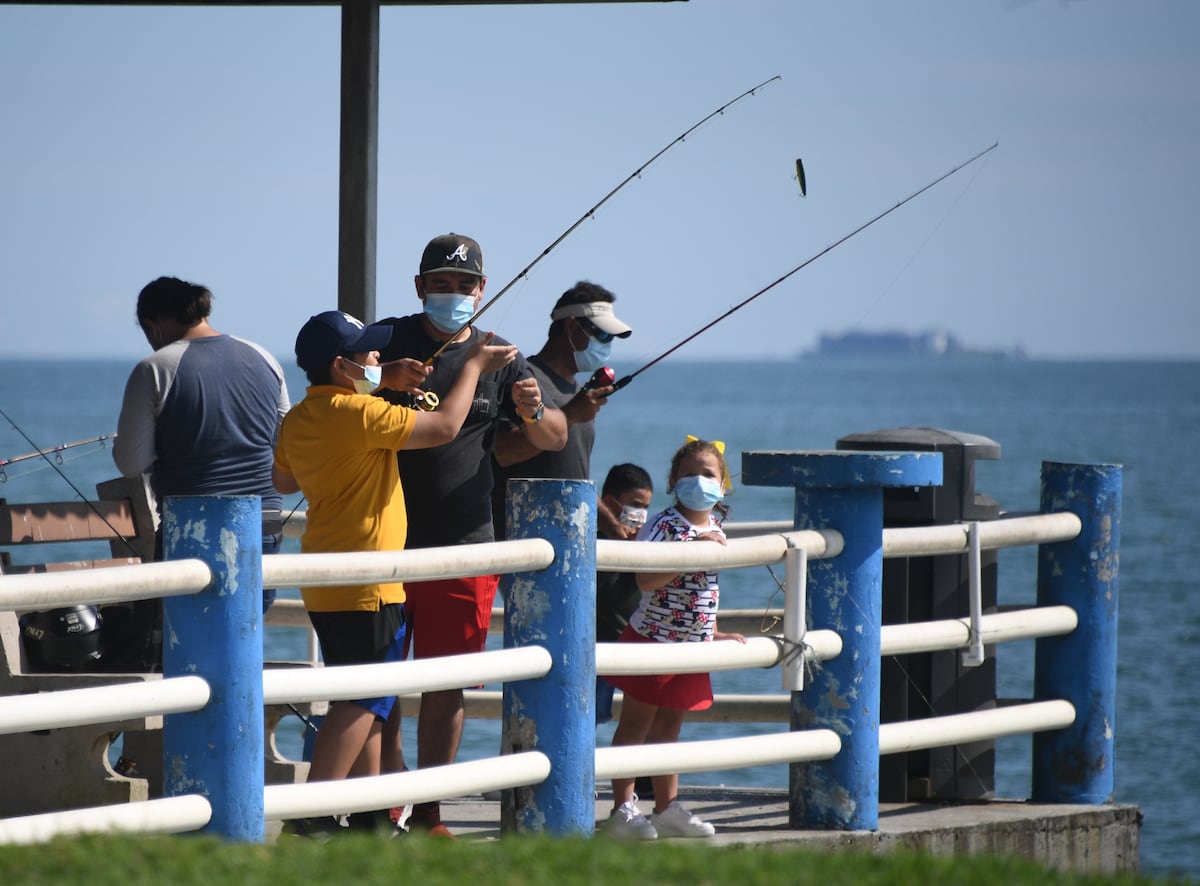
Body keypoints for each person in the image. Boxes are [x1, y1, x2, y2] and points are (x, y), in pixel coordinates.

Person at [272, 310, 516, 837]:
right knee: (361, 700)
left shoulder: (300, 418)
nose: (378, 357)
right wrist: (472, 363)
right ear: (343, 365)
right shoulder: (360, 415)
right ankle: (310, 814)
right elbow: (447, 426)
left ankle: (369, 814)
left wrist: (377, 392)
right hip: (370, 579)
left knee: (375, 698)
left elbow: (284, 479)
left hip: (322, 575)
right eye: (368, 354)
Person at [371, 233, 567, 837]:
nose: (452, 294)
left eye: (463, 286)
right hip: (381, 537)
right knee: (377, 682)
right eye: (440, 284)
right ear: (419, 286)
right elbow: (335, 402)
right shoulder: (384, 341)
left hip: (465, 541)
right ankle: (384, 803)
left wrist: (532, 411)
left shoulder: (502, 355)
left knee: (445, 683)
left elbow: (554, 436)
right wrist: (383, 383)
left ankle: (430, 810)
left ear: (481, 290)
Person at [112, 276, 289, 669]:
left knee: (194, 654)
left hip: (194, 531)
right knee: (239, 647)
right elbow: (287, 443)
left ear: (153, 326)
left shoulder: (154, 368)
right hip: (266, 525)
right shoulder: (263, 357)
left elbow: (130, 461)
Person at [601, 438, 746, 841]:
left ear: (723, 484)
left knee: (670, 727)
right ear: (672, 481)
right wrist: (689, 551)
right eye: (688, 474)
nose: (698, 481)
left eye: (707, 474)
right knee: (635, 725)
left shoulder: (715, 526)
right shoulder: (664, 526)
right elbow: (646, 579)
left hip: (691, 645)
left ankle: (665, 808)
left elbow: (704, 587)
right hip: (654, 641)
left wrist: (712, 630)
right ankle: (622, 811)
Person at [490, 281, 633, 541]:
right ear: (571, 326)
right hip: (520, 545)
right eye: (603, 335)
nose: (607, 344)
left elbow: (574, 478)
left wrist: (615, 528)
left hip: (568, 545)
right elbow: (503, 452)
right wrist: (568, 416)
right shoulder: (525, 380)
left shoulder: (579, 394)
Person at [594, 462, 653, 726]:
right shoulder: (592, 541)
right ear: (611, 503)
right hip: (597, 650)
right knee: (589, 718)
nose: (642, 514)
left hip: (627, 648)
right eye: (636, 505)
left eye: (646, 507)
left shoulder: (643, 545)